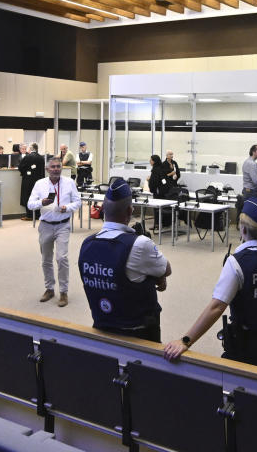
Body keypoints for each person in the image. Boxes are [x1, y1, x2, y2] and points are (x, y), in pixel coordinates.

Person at [163, 197, 257, 371]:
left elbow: (216, 307)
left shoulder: (237, 263)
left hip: (246, 350)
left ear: (242, 229)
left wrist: (185, 341)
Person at [78, 178, 171, 342]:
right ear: (130, 211)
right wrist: (159, 276)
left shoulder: (87, 244)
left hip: (101, 327)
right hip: (139, 334)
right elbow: (166, 269)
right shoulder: (139, 244)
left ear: (103, 210)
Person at [28, 156, 81, 307]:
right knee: (46, 259)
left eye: (58, 166)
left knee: (62, 258)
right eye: (53, 167)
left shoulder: (69, 183)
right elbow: (30, 204)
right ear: (47, 169)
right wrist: (41, 202)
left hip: (63, 225)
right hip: (45, 225)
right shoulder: (40, 184)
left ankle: (63, 292)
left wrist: (67, 208)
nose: (56, 169)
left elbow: (77, 202)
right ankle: (49, 289)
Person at [18, 143, 44, 221]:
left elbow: (21, 167)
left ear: (31, 149)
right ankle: (37, 214)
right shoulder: (41, 158)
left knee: (28, 196)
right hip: (39, 181)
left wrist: (24, 173)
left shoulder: (27, 157)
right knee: (37, 197)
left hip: (28, 181)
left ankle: (29, 215)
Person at [147, 154, 170, 230]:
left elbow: (155, 181)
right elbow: (163, 181)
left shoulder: (155, 170)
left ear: (154, 161)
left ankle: (157, 225)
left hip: (158, 192)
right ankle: (163, 224)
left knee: (157, 209)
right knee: (162, 208)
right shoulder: (161, 168)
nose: (149, 161)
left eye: (151, 160)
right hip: (163, 192)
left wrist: (149, 180)